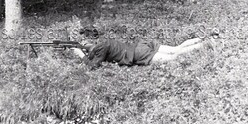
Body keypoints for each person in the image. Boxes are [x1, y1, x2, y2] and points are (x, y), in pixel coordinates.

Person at [71, 37, 207, 69]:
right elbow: (94, 56)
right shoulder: (105, 43)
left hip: (138, 54)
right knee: (175, 48)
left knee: (173, 57)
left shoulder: (99, 50)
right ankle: (202, 40)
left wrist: (80, 54)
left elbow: (93, 66)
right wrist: (87, 52)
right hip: (142, 45)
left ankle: (205, 45)